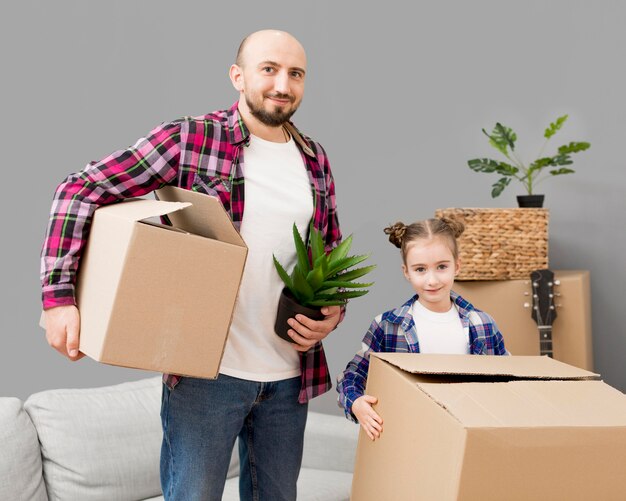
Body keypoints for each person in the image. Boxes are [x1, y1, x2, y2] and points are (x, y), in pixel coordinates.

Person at [40, 29, 343, 501]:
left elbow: (331, 254)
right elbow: (79, 190)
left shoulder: (314, 160)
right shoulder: (193, 138)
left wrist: (331, 314)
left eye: (295, 74)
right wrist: (59, 300)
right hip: (208, 377)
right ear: (237, 76)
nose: (283, 84)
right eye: (269, 69)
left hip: (288, 379)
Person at [337, 218, 508, 441]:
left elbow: (508, 380)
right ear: (406, 272)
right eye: (420, 269)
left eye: (442, 267)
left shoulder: (482, 325)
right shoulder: (389, 325)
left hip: (467, 437)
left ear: (457, 265)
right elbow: (353, 375)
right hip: (410, 438)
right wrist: (356, 403)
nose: (432, 279)